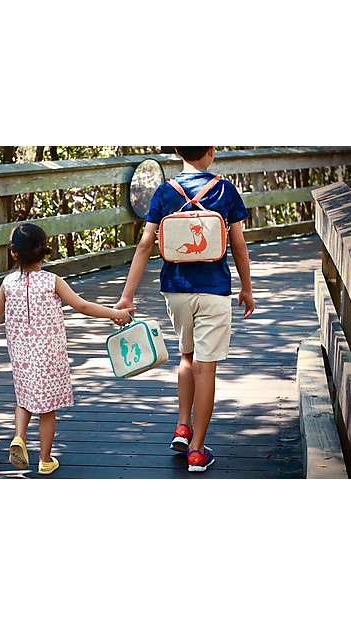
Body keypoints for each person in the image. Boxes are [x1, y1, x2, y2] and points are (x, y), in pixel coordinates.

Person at [115, 146, 254, 472]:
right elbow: (238, 244)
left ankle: (181, 425)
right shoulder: (224, 189)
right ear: (211, 151)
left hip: (175, 290)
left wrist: (127, 295)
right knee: (206, 367)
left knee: (187, 356)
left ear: (177, 151)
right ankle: (196, 449)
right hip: (214, 291)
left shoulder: (165, 191)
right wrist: (246, 288)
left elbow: (146, 243)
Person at [0, 223, 133, 475]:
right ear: (43, 251)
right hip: (49, 355)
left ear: (13, 253)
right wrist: (116, 314)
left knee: (24, 398)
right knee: (47, 408)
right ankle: (45, 459)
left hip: (21, 355)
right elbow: (82, 307)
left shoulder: (7, 283)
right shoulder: (52, 281)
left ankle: (19, 437)